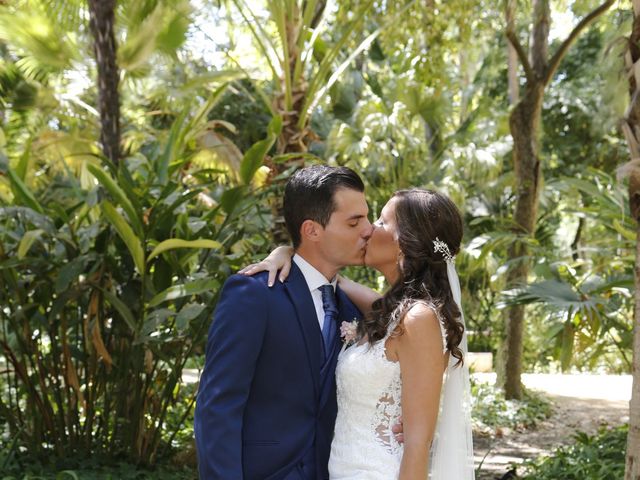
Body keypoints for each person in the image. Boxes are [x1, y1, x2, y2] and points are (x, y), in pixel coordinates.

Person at [245, 189, 475, 479]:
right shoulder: (390, 311)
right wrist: (285, 252)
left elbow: (417, 444)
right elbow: (328, 276)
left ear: (405, 241)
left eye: (380, 221)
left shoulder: (420, 319)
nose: (368, 230)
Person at [194, 165, 374, 479]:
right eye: (354, 221)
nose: (369, 230)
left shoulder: (352, 309)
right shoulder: (254, 294)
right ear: (312, 230)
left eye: (367, 218)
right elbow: (218, 406)